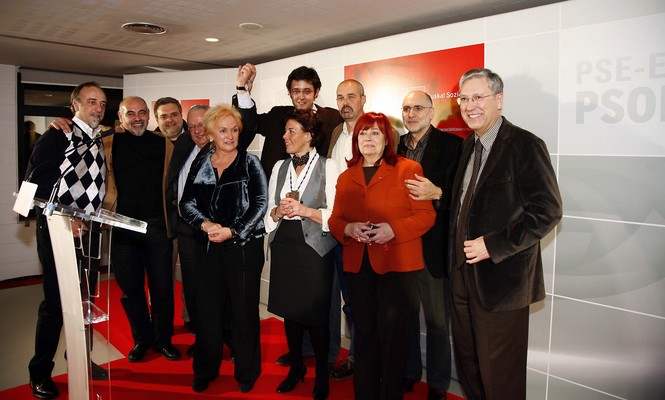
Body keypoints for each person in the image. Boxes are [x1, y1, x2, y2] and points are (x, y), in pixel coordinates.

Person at [449, 68, 562, 400]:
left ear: (498, 99)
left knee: (500, 379)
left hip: (501, 283)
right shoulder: (468, 146)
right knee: (470, 369)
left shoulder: (525, 145)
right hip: (461, 277)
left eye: (478, 97)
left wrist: (493, 244)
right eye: (464, 98)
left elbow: (548, 211)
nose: (469, 106)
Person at [234, 63, 343, 368]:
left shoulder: (333, 119)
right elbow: (248, 123)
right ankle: (299, 356)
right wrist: (243, 88)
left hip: (319, 235)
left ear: (316, 92)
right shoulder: (278, 119)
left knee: (322, 304)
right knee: (291, 304)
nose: (301, 96)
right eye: (296, 91)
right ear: (289, 93)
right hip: (285, 239)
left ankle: (326, 357)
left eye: (307, 90)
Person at [329, 112, 435, 400]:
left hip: (397, 266)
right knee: (364, 336)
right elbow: (335, 220)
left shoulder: (408, 169)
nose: (368, 138)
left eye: (375, 133)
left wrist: (393, 230)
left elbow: (426, 216)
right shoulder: (346, 176)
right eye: (363, 133)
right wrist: (348, 228)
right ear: (356, 140)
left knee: (393, 338)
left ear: (388, 139)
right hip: (358, 266)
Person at [25, 82, 109, 399]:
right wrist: (64, 216)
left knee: (84, 304)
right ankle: (39, 372)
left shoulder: (98, 137)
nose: (98, 108)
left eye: (102, 103)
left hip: (90, 233)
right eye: (91, 101)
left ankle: (79, 359)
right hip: (58, 231)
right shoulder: (57, 135)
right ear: (75, 105)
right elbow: (33, 184)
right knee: (56, 306)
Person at [179, 104, 266, 394]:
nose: (230, 136)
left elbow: (260, 204)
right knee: (207, 312)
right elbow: (186, 203)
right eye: (223, 130)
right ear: (210, 134)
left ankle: (247, 372)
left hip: (243, 248)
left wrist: (232, 230)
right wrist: (204, 225)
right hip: (208, 247)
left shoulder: (250, 163)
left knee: (243, 313)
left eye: (235, 130)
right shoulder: (201, 162)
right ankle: (205, 369)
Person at [265, 109, 340, 400]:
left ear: (308, 136)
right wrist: (277, 211)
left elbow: (336, 214)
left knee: (317, 316)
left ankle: (321, 374)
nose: (284, 136)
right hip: (285, 244)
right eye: (285, 131)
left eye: (291, 131)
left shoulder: (329, 166)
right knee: (290, 312)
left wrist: (305, 210)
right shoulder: (279, 167)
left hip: (314, 249)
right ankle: (296, 367)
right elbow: (268, 212)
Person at [103, 96, 181, 363]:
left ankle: (163, 341)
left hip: (157, 226)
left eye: (141, 113)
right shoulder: (108, 142)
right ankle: (141, 339)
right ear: (121, 116)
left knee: (163, 289)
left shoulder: (163, 144)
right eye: (130, 113)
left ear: (149, 115)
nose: (137, 118)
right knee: (131, 290)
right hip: (123, 227)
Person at [399, 90, 462, 400]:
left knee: (438, 323)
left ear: (431, 111)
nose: (411, 114)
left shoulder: (452, 146)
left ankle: (438, 383)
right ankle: (410, 372)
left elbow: (461, 195)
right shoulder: (395, 146)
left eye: (418, 108)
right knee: (406, 317)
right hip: (400, 246)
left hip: (433, 249)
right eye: (406, 108)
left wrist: (437, 192)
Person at [327, 78, 366, 381]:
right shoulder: (336, 133)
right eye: (340, 97)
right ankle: (357, 357)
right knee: (349, 302)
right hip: (339, 231)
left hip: (367, 234)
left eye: (351, 96)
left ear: (363, 99)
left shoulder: (377, 131)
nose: (345, 103)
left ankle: (367, 361)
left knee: (366, 303)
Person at [165, 104, 209, 356]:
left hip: (215, 233)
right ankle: (202, 336)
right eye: (191, 126)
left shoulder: (225, 148)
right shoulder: (183, 145)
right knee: (191, 287)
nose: (197, 130)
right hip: (186, 229)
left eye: (201, 124)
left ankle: (229, 338)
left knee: (218, 286)